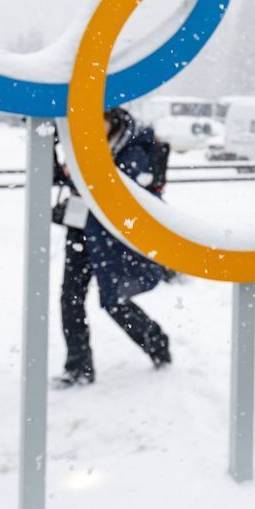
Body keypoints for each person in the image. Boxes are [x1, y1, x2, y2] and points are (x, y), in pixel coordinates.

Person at [52, 108, 171, 387]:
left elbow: (114, 184)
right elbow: (60, 177)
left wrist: (79, 171)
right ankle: (78, 367)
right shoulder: (81, 144)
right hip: (81, 230)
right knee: (70, 298)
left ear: (112, 121)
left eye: (97, 123)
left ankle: (157, 343)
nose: (91, 130)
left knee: (114, 301)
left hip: (112, 238)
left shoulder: (133, 146)